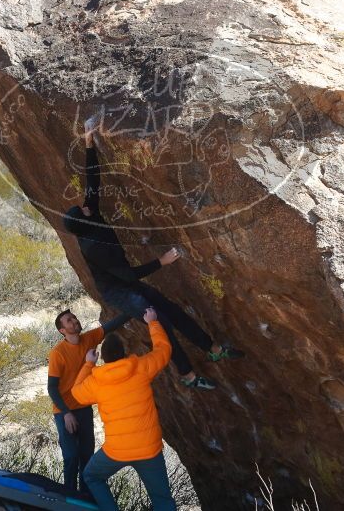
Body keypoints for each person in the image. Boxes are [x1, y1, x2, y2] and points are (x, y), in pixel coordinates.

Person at [62, 114, 243, 390]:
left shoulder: (91, 216)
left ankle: (213, 349)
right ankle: (188, 376)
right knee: (160, 323)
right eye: (83, 210)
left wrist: (88, 142)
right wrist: (163, 261)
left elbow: (92, 180)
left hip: (125, 280)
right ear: (83, 221)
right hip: (118, 289)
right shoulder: (93, 246)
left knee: (172, 310)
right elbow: (126, 274)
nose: (86, 206)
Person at [72, 307, 176, 511]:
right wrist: (153, 322)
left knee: (91, 476)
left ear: (104, 358)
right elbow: (164, 351)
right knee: (162, 500)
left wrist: (88, 365)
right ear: (125, 352)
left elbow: (76, 393)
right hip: (149, 449)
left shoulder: (96, 382)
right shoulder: (140, 368)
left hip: (117, 450)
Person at [48, 309, 130, 494]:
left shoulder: (89, 338)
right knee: (71, 457)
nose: (74, 321)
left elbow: (112, 324)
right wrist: (66, 413)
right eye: (69, 321)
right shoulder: (57, 353)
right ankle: (68, 497)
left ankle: (85, 497)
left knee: (87, 456)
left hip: (84, 407)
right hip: (64, 411)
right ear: (62, 330)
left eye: (74, 317)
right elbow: (52, 388)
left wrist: (134, 307)